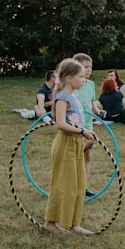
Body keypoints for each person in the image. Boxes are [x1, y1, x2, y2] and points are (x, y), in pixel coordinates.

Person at [44, 58, 97, 236]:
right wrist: (83, 132)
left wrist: (85, 132)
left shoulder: (74, 96)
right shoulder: (62, 98)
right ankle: (50, 223)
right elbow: (60, 124)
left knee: (78, 184)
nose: (84, 79)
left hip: (76, 144)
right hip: (65, 143)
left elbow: (76, 120)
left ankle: (74, 223)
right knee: (63, 184)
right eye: (81, 76)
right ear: (68, 78)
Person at [72, 53, 101, 194]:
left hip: (88, 123)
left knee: (88, 155)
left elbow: (91, 101)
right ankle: (73, 183)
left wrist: (97, 110)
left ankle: (83, 186)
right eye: (85, 67)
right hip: (75, 124)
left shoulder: (91, 84)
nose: (89, 70)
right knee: (85, 145)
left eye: (90, 67)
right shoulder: (74, 84)